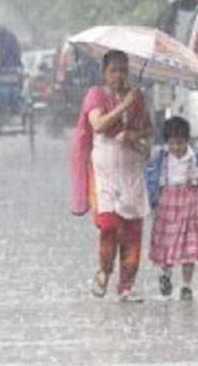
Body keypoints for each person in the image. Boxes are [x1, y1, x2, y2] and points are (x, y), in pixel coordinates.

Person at [70, 50, 151, 302]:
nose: (119, 76)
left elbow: (147, 128)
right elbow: (98, 125)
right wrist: (124, 106)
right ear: (104, 73)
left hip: (131, 170)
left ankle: (126, 286)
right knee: (109, 225)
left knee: (132, 231)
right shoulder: (96, 95)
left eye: (123, 71)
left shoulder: (137, 97)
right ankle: (104, 271)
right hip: (104, 172)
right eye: (114, 70)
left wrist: (133, 136)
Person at [148, 117, 198, 301]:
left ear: (187, 141)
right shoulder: (161, 159)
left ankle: (186, 285)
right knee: (166, 244)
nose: (176, 148)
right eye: (172, 144)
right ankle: (165, 273)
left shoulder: (196, 158)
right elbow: (153, 181)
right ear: (166, 143)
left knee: (190, 246)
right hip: (167, 204)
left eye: (180, 143)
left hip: (190, 204)